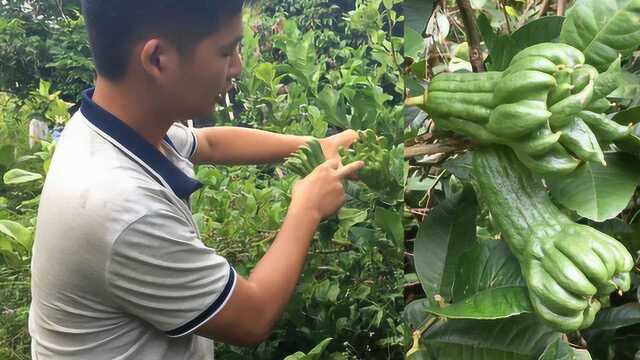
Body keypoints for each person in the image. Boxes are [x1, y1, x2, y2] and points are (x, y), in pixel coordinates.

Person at [27, 1, 364, 359]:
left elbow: (210, 142)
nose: (237, 67)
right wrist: (307, 209)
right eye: (225, 51)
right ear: (158, 59)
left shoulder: (115, 127)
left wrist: (317, 145)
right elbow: (253, 317)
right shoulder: (121, 209)